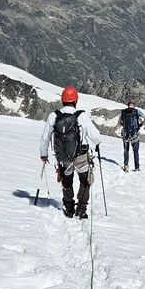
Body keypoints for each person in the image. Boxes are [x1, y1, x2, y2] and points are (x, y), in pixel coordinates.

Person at [40, 86, 103, 219]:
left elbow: (45, 138)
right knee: (85, 181)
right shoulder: (81, 116)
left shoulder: (54, 116)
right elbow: (96, 138)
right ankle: (81, 209)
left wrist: (43, 154)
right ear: (76, 100)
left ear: (62, 100)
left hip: (63, 157)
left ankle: (69, 209)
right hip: (81, 155)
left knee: (67, 181)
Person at [120, 98, 145, 172]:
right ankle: (137, 167)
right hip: (135, 134)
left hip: (125, 135)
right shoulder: (137, 111)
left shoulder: (123, 112)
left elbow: (120, 123)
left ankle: (126, 166)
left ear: (127, 105)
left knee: (126, 150)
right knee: (135, 151)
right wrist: (141, 124)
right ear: (134, 105)